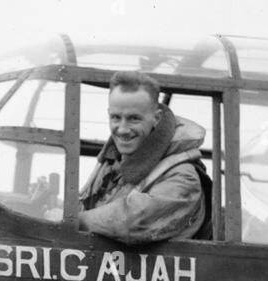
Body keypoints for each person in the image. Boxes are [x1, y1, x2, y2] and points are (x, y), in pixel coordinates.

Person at [78, 70, 210, 244]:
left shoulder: (183, 177)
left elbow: (133, 222)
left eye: (133, 119)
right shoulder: (114, 162)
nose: (123, 129)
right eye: (116, 117)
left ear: (156, 118)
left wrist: (75, 220)